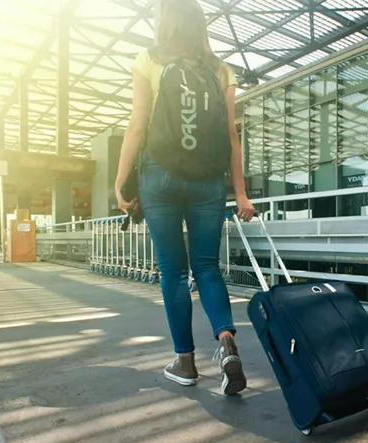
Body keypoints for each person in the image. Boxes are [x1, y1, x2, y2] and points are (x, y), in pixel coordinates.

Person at [114, 0, 255, 396]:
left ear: (165, 21)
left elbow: (137, 126)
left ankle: (185, 361)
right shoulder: (221, 69)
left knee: (174, 272)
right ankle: (227, 343)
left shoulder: (149, 59)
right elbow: (231, 135)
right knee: (208, 267)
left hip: (160, 178)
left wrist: (122, 179)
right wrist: (240, 192)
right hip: (209, 182)